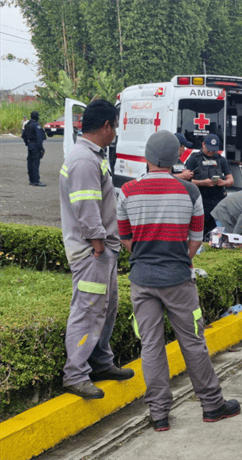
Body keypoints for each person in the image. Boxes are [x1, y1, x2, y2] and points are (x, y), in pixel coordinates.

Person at [117, 130, 240, 432]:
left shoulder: (128, 191)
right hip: (178, 279)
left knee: (151, 347)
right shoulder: (190, 191)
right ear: (176, 159)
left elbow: (125, 238)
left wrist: (147, 254)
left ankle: (159, 414)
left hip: (142, 280)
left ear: (146, 158)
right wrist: (178, 258)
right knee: (193, 342)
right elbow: (196, 240)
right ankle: (212, 406)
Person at [59, 99, 134, 400]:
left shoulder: (91, 155)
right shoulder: (84, 160)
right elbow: (86, 206)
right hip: (93, 253)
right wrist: (99, 245)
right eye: (115, 126)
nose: (115, 133)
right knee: (88, 311)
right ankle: (75, 374)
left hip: (102, 252)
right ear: (106, 126)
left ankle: (101, 362)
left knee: (106, 308)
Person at [184, 134, 234, 235]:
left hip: (218, 200)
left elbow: (231, 179)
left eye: (214, 150)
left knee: (218, 231)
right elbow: (186, 181)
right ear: (203, 145)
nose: (211, 152)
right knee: (200, 230)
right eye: (209, 149)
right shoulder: (194, 159)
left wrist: (224, 182)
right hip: (201, 200)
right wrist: (202, 183)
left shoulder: (221, 160)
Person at [21, 110, 47, 186]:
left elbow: (24, 136)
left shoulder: (27, 125)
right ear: (37, 117)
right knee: (35, 163)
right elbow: (39, 137)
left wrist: (27, 143)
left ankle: (31, 180)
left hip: (30, 145)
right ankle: (36, 181)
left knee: (30, 162)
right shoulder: (36, 125)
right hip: (35, 145)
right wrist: (41, 148)